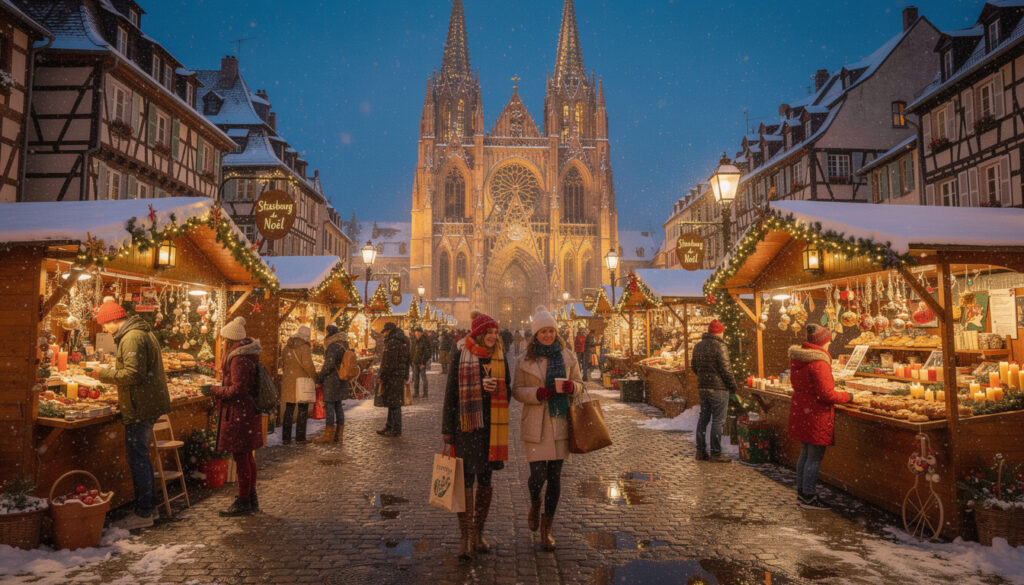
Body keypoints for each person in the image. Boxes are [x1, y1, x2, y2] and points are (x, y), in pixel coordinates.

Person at [95, 297, 170, 530]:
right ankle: (150, 507)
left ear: (113, 320)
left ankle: (143, 511)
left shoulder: (131, 337)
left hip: (140, 406)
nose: (104, 329)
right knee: (141, 457)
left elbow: (133, 374)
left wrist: (101, 374)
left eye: (104, 324)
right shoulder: (140, 332)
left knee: (137, 459)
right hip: (144, 403)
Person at [512, 306, 583, 552]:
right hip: (536, 424)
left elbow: (580, 384)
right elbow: (516, 391)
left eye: (551, 331)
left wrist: (573, 388)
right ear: (535, 334)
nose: (548, 335)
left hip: (560, 421)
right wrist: (536, 393)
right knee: (538, 476)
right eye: (543, 331)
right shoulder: (524, 360)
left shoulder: (568, 356)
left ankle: (547, 528)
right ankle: (535, 503)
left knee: (554, 477)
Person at [442, 311, 510, 560]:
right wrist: (447, 429)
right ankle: (466, 536)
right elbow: (451, 393)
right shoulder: (461, 355)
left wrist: (497, 389)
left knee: (486, 479)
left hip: (491, 428)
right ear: (479, 334)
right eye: (488, 332)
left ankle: (479, 533)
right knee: (465, 480)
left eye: (495, 332)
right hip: (466, 427)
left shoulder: (499, 357)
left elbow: (508, 390)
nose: (493, 336)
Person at [788, 324, 853, 510]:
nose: (829, 344)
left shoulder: (799, 359)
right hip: (815, 414)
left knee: (805, 454)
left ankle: (802, 493)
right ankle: (809, 496)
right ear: (823, 342)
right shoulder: (819, 363)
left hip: (802, 411)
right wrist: (848, 396)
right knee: (814, 457)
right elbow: (826, 394)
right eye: (828, 341)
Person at [210, 317, 265, 516]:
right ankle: (250, 497)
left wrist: (215, 390)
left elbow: (238, 389)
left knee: (241, 457)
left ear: (230, 339)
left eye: (225, 339)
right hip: (246, 413)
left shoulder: (238, 358)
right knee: (246, 457)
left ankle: (243, 500)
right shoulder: (247, 354)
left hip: (239, 414)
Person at [690, 319, 739, 463]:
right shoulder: (720, 346)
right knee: (718, 421)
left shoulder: (698, 346)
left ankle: (700, 451)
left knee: (703, 418)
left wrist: (703, 378)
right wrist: (733, 386)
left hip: (703, 387)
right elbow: (726, 369)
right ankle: (716, 453)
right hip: (719, 389)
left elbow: (694, 366)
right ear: (719, 332)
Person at [314, 324, 352, 444]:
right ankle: (339, 435)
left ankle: (328, 435)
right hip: (341, 379)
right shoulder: (344, 344)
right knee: (338, 406)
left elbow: (329, 365)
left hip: (332, 381)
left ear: (329, 333)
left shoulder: (333, 346)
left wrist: (319, 377)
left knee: (329, 406)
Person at [281, 326, 316, 445]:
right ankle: (300, 438)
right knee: (302, 409)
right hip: (302, 381)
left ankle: (286, 438)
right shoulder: (304, 347)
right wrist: (314, 376)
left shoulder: (287, 346)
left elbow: (283, 363)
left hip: (289, 380)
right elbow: (308, 365)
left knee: (289, 409)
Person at [377, 322, 410, 437]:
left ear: (389, 331)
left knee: (394, 404)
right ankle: (390, 426)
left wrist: (382, 376)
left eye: (385, 331)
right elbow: (406, 360)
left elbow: (389, 362)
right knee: (393, 403)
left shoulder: (393, 342)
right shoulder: (402, 340)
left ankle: (395, 428)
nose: (384, 334)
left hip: (393, 376)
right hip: (398, 375)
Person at [410, 326, 431, 398]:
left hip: (421, 363)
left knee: (423, 378)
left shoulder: (424, 341)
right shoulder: (414, 340)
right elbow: (412, 351)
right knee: (416, 378)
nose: (417, 334)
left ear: (421, 333)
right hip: (415, 362)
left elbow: (427, 353)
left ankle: (425, 392)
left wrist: (423, 362)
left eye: (418, 333)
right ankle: (416, 392)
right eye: (416, 333)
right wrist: (411, 360)